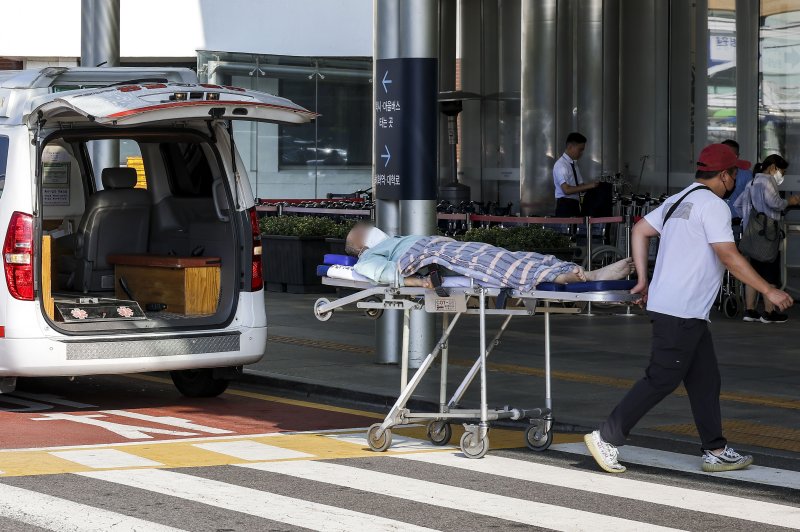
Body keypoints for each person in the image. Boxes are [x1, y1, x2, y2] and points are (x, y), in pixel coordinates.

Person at [584, 143, 794, 474]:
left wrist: (643, 280)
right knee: (662, 378)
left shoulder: (678, 199)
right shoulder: (713, 206)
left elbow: (639, 230)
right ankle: (607, 437)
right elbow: (728, 255)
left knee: (705, 379)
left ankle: (715, 449)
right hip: (681, 310)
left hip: (681, 308)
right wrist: (768, 289)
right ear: (724, 175)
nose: (735, 181)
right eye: (735, 175)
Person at [344, 224, 633, 290]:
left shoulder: (393, 240)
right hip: (430, 255)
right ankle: (554, 277)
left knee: (512, 255)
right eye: (361, 231)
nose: (368, 228)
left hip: (445, 247)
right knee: (494, 265)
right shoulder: (368, 257)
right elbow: (386, 273)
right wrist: (420, 284)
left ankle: (586, 273)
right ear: (358, 246)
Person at [734, 154, 800, 324]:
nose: (782, 176)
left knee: (753, 272)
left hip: (752, 235)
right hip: (767, 235)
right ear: (773, 168)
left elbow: (738, 205)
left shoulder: (752, 182)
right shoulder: (767, 181)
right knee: (769, 271)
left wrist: (751, 219)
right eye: (782, 172)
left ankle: (750, 310)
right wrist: (789, 201)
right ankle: (769, 312)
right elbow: (774, 203)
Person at [553, 132, 598, 217]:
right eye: (580, 149)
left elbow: (581, 186)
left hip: (575, 204)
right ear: (570, 147)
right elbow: (566, 190)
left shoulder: (574, 165)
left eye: (582, 150)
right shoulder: (561, 165)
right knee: (566, 230)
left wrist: (596, 186)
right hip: (565, 204)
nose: (581, 153)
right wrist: (590, 186)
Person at [721, 139, 753, 222]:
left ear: (738, 156)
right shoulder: (712, 173)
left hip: (737, 222)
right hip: (715, 218)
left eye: (732, 155)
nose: (728, 158)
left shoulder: (747, 174)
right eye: (725, 154)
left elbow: (750, 201)